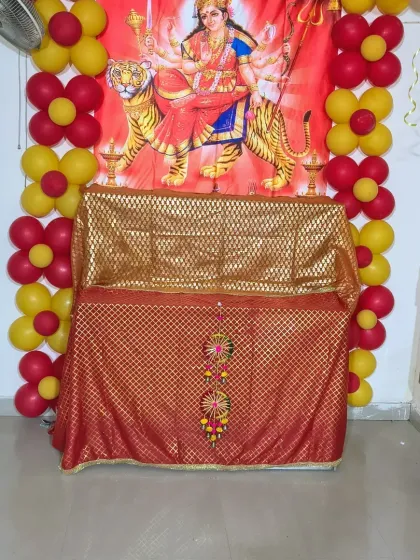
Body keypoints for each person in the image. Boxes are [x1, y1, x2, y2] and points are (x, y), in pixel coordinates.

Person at [145, 0, 264, 158]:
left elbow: (245, 68)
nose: (209, 20)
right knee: (164, 76)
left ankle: (177, 149)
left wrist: (255, 92)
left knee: (183, 105)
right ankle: (187, 106)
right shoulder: (198, 38)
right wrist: (202, 63)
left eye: (214, 14)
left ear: (224, 16)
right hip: (198, 83)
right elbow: (187, 67)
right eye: (204, 16)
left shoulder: (238, 40)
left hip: (227, 89)